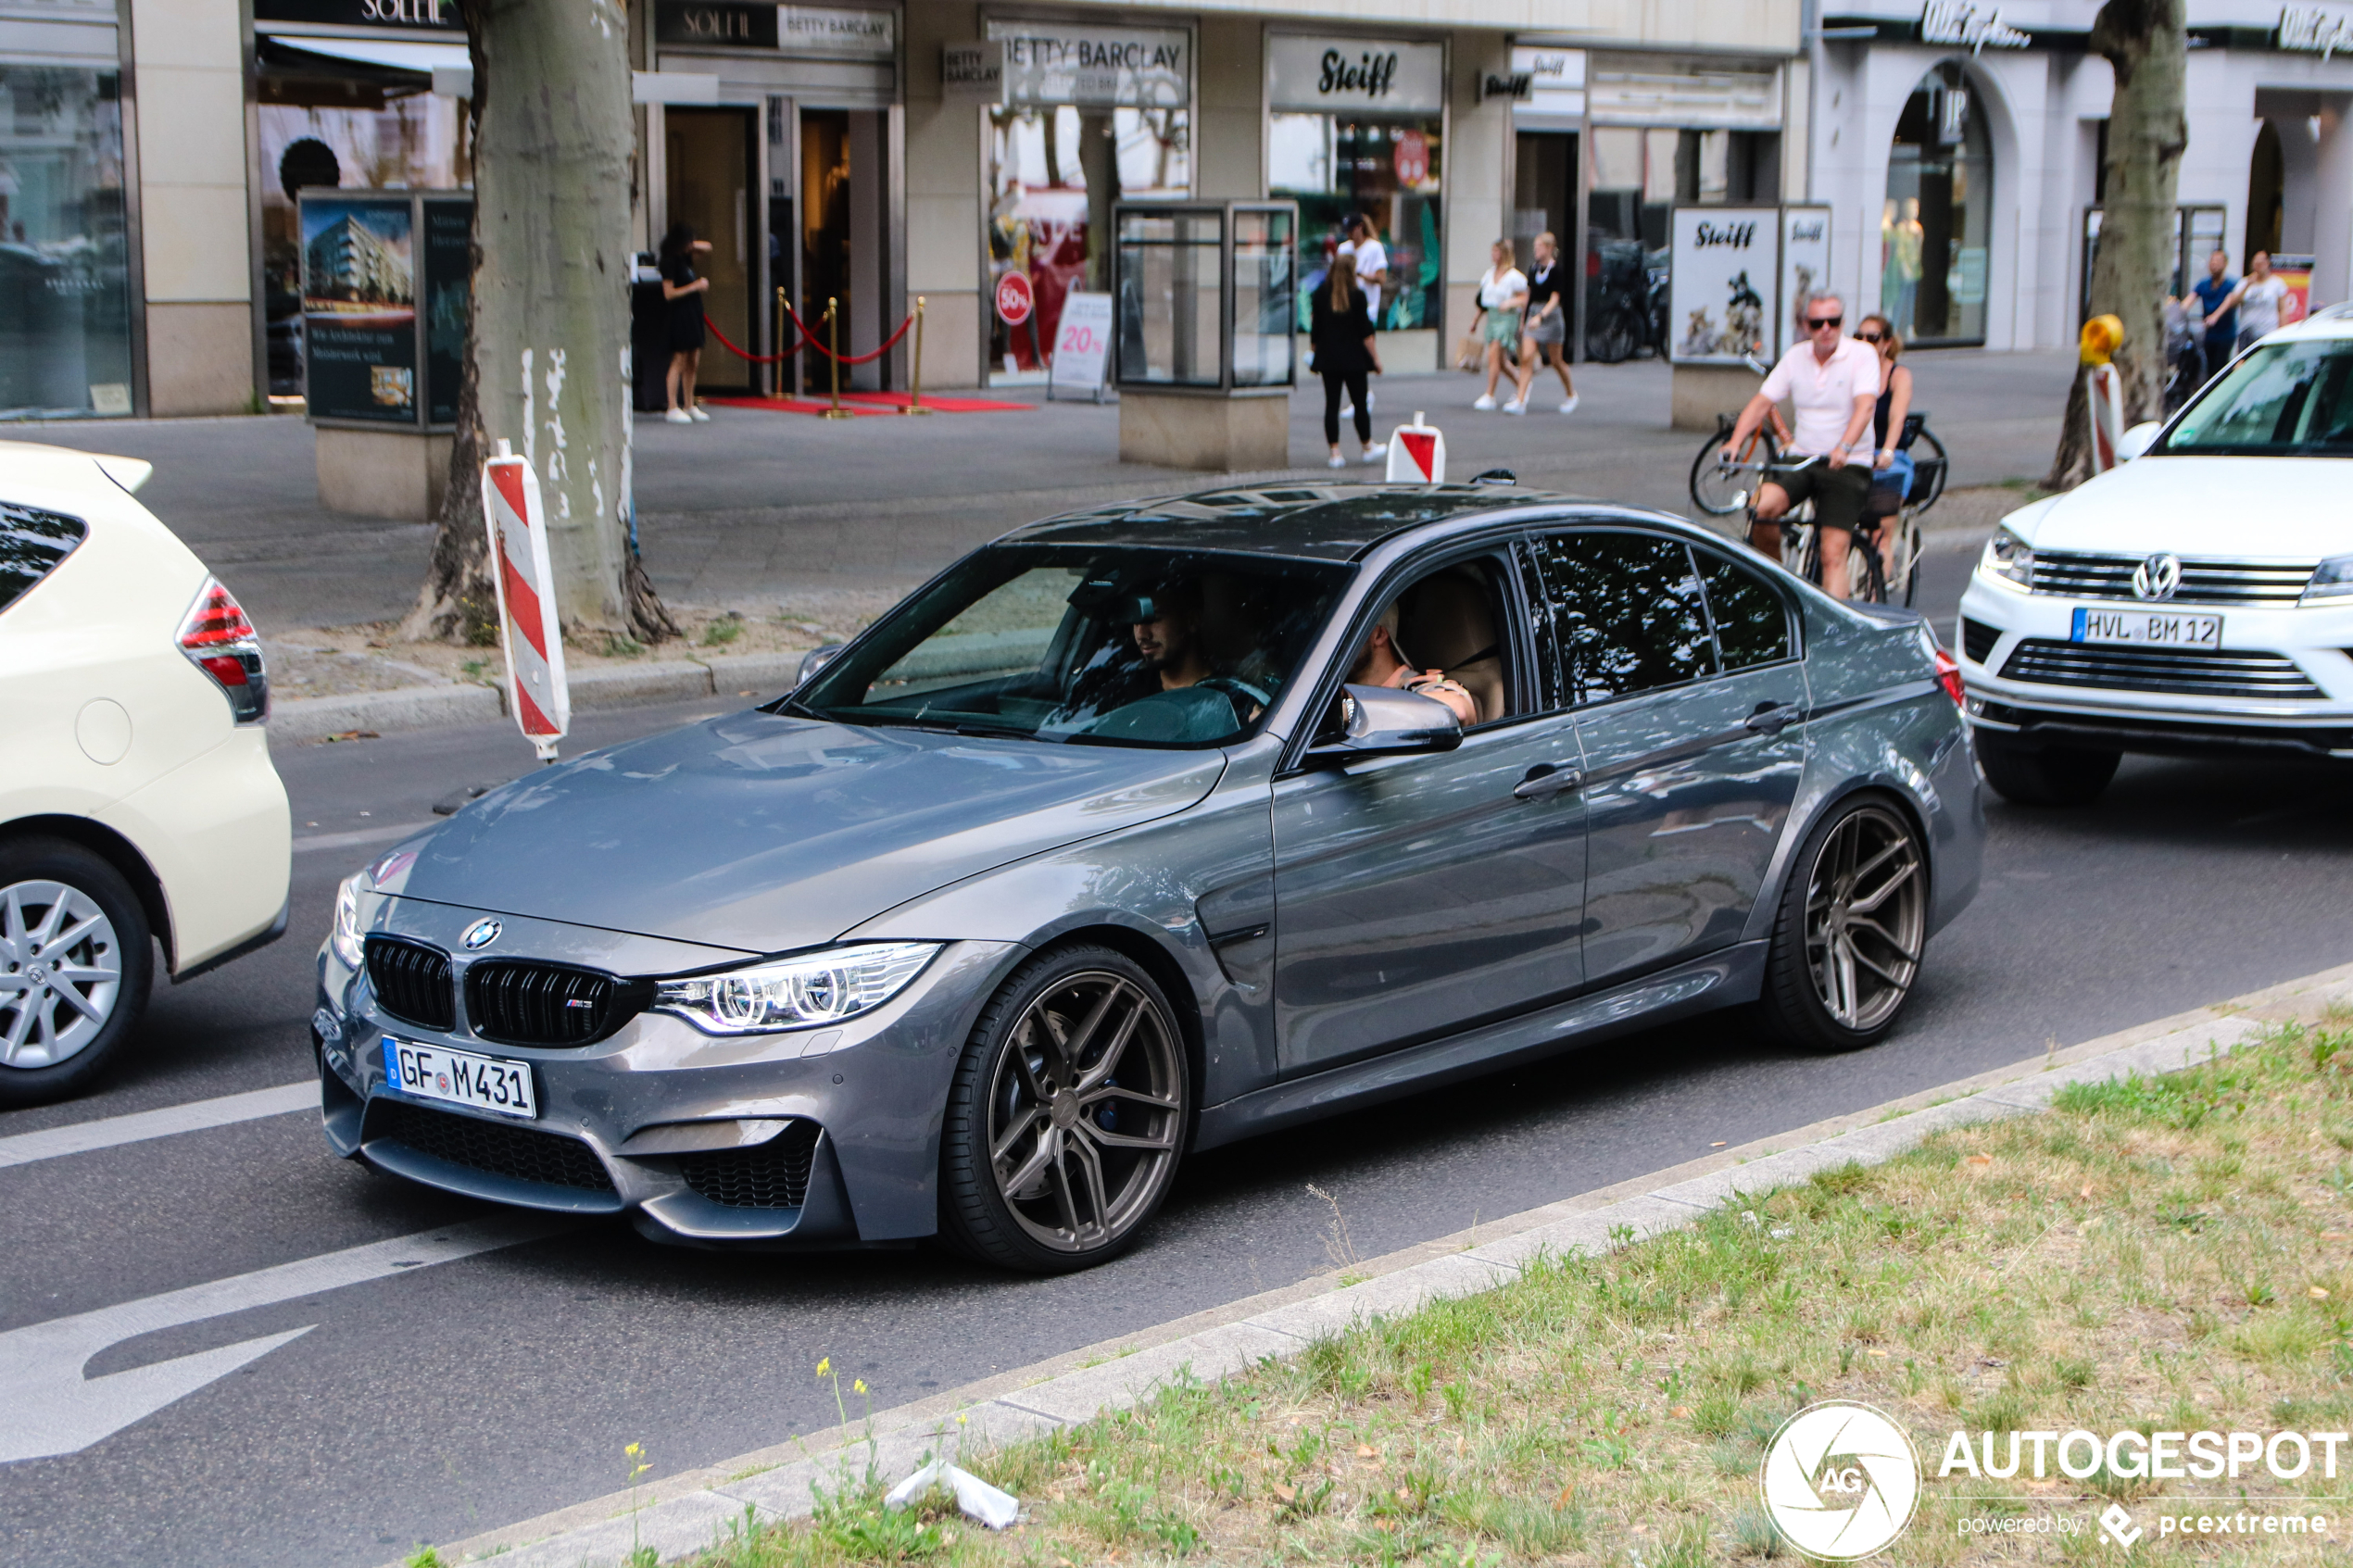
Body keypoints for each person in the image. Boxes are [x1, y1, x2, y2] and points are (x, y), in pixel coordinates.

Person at [1720, 293, 1880, 599]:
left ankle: (1838, 631)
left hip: (1847, 463)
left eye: (1833, 322)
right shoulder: (1796, 357)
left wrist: (1844, 446)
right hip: (1802, 459)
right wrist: (1734, 442)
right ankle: (1781, 591)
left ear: (1842, 323)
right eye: (1818, 323)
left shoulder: (1861, 355)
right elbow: (1761, 403)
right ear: (1806, 325)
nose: (1826, 329)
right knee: (1759, 508)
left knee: (1832, 553)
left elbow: (1865, 407)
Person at [1346, 602, 1478, 728]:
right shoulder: (1335, 689)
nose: (1338, 644)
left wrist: (1351, 710)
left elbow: (1459, 709)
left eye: (1349, 630)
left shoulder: (1419, 686)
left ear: (1379, 635)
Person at [1311, 260, 1386, 468]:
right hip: (1354, 359)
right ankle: (1367, 446)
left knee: (1332, 405)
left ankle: (1335, 453)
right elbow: (1366, 333)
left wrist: (1314, 351)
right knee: (1360, 404)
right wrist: (1376, 359)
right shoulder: (1357, 296)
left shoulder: (1320, 294)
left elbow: (1315, 327)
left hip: (1329, 359)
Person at [1855, 314, 1914, 573]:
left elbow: (1897, 417)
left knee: (1879, 534)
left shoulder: (1898, 375)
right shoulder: (1851, 371)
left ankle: (1878, 600)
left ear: (1886, 343)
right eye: (1859, 337)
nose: (1865, 342)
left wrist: (1888, 452)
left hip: (1888, 457)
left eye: (1873, 337)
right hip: (1856, 455)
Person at [1513, 231, 1579, 416]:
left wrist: (1541, 317)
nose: (1536, 250)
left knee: (1556, 361)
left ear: (1549, 248)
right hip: (1533, 313)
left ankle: (1571, 394)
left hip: (1550, 317)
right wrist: (1523, 319)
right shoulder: (1533, 269)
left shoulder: (1557, 270)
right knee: (1526, 358)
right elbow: (1528, 296)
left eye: (1539, 247)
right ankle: (1520, 400)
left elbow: (1555, 299)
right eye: (1535, 247)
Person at [658, 222, 713, 424]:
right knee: (679, 359)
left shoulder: (684, 258)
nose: (692, 245)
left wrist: (690, 243)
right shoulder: (669, 262)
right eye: (688, 241)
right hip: (679, 313)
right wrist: (695, 286)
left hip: (693, 312)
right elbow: (669, 293)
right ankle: (672, 405)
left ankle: (689, 403)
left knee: (693, 359)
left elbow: (708, 247)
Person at [1471, 239, 1528, 413]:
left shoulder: (1514, 277)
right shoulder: (1489, 274)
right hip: (1493, 316)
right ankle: (1523, 385)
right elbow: (1483, 303)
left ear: (1503, 254)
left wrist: (1511, 303)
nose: (1493, 255)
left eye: (1496, 251)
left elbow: (1525, 298)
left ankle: (1490, 395)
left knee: (1494, 353)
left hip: (1507, 317)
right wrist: (1475, 321)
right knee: (1501, 361)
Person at [2217, 249, 2288, 351]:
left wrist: (2283, 332)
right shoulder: (2244, 282)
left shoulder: (2277, 283)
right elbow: (2233, 303)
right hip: (2246, 332)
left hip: (2267, 331)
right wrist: (2247, 285)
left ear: (2268, 264)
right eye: (2256, 263)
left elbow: (2282, 310)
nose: (2258, 266)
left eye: (2261, 263)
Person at [2186, 248, 2238, 381]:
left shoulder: (2232, 284)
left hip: (2225, 335)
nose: (2213, 264)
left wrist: (2215, 316)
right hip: (2207, 334)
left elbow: (2228, 302)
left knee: (2218, 368)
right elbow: (2189, 300)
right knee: (2206, 368)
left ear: (2225, 264)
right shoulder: (2204, 284)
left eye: (2217, 261)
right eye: (2212, 261)